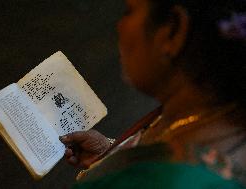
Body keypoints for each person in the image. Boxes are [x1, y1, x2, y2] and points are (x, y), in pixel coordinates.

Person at [59, 0, 246, 188]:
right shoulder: (213, 119)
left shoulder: (154, 182)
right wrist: (111, 153)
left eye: (129, 11)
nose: (119, 25)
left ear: (173, 31)